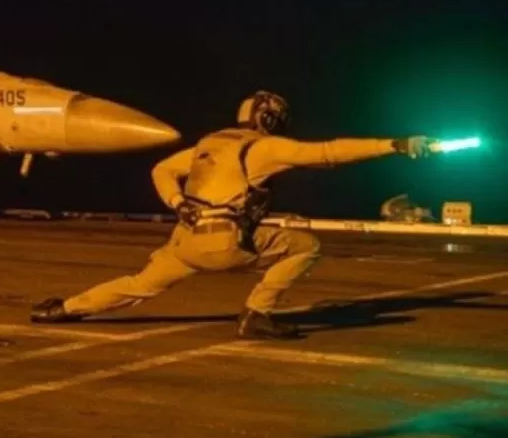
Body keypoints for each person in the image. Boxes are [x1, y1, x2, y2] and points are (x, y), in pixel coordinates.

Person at [30, 90, 433, 339]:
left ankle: (65, 309)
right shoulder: (263, 147)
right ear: (269, 119)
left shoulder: (212, 143)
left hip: (185, 242)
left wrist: (178, 203)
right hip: (224, 243)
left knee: (139, 285)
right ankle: (258, 312)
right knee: (306, 246)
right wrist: (394, 145)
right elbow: (327, 153)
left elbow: (162, 170)